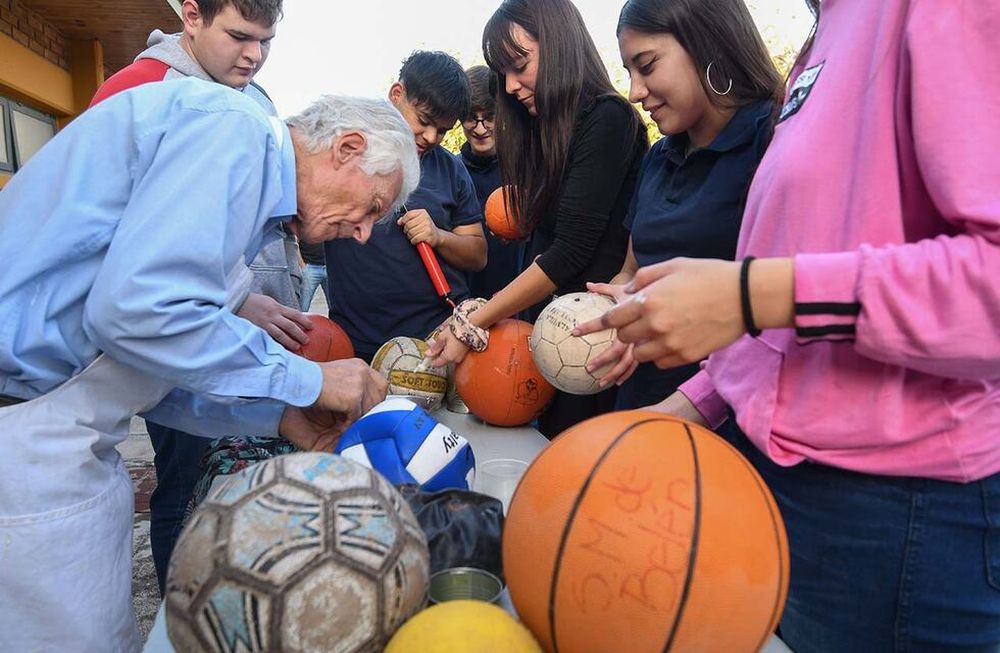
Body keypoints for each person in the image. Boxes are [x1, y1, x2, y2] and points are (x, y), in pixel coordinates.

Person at [579, 0, 1000, 649]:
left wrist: (749, 294)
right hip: (798, 502)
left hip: (906, 515)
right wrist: (675, 412)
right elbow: (779, 332)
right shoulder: (828, 31)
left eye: (646, 64)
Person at [0, 80, 418, 651]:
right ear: (345, 148)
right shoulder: (234, 132)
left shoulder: (238, 180)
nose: (366, 233)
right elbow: (135, 313)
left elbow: (146, 365)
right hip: (25, 443)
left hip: (55, 433)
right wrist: (311, 377)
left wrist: (278, 417)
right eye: (372, 207)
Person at [89, 0, 315, 596]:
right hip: (126, 359)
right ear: (191, 15)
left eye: (267, 41)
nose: (254, 55)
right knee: (183, 484)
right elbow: (139, 260)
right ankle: (176, 605)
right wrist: (240, 301)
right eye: (240, 36)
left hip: (227, 334)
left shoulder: (254, 99)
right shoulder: (139, 89)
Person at [427, 0, 648, 438]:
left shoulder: (609, 118)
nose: (509, 87)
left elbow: (569, 252)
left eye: (520, 64)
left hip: (592, 340)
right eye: (501, 73)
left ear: (560, 44)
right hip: (547, 334)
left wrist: (473, 321)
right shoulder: (545, 132)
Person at [582, 0, 782, 410]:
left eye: (648, 65)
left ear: (707, 44)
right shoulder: (658, 158)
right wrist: (615, 303)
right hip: (641, 395)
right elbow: (631, 270)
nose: (635, 92)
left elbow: (779, 305)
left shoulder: (774, 140)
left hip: (726, 410)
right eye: (629, 73)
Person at [326, 51, 486, 361]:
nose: (430, 137)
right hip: (358, 347)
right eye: (424, 121)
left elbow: (478, 254)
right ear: (397, 95)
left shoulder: (450, 169)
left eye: (442, 130)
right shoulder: (343, 153)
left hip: (438, 343)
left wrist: (438, 236)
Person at [461, 65, 524, 300]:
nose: (479, 128)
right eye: (470, 118)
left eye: (489, 117)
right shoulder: (452, 173)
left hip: (522, 296)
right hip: (469, 302)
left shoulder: (527, 167)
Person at [299, 239, 329, 310]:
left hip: (329, 267)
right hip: (310, 268)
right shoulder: (303, 227)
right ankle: (299, 321)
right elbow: (295, 242)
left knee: (335, 306)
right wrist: (303, 266)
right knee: (303, 305)